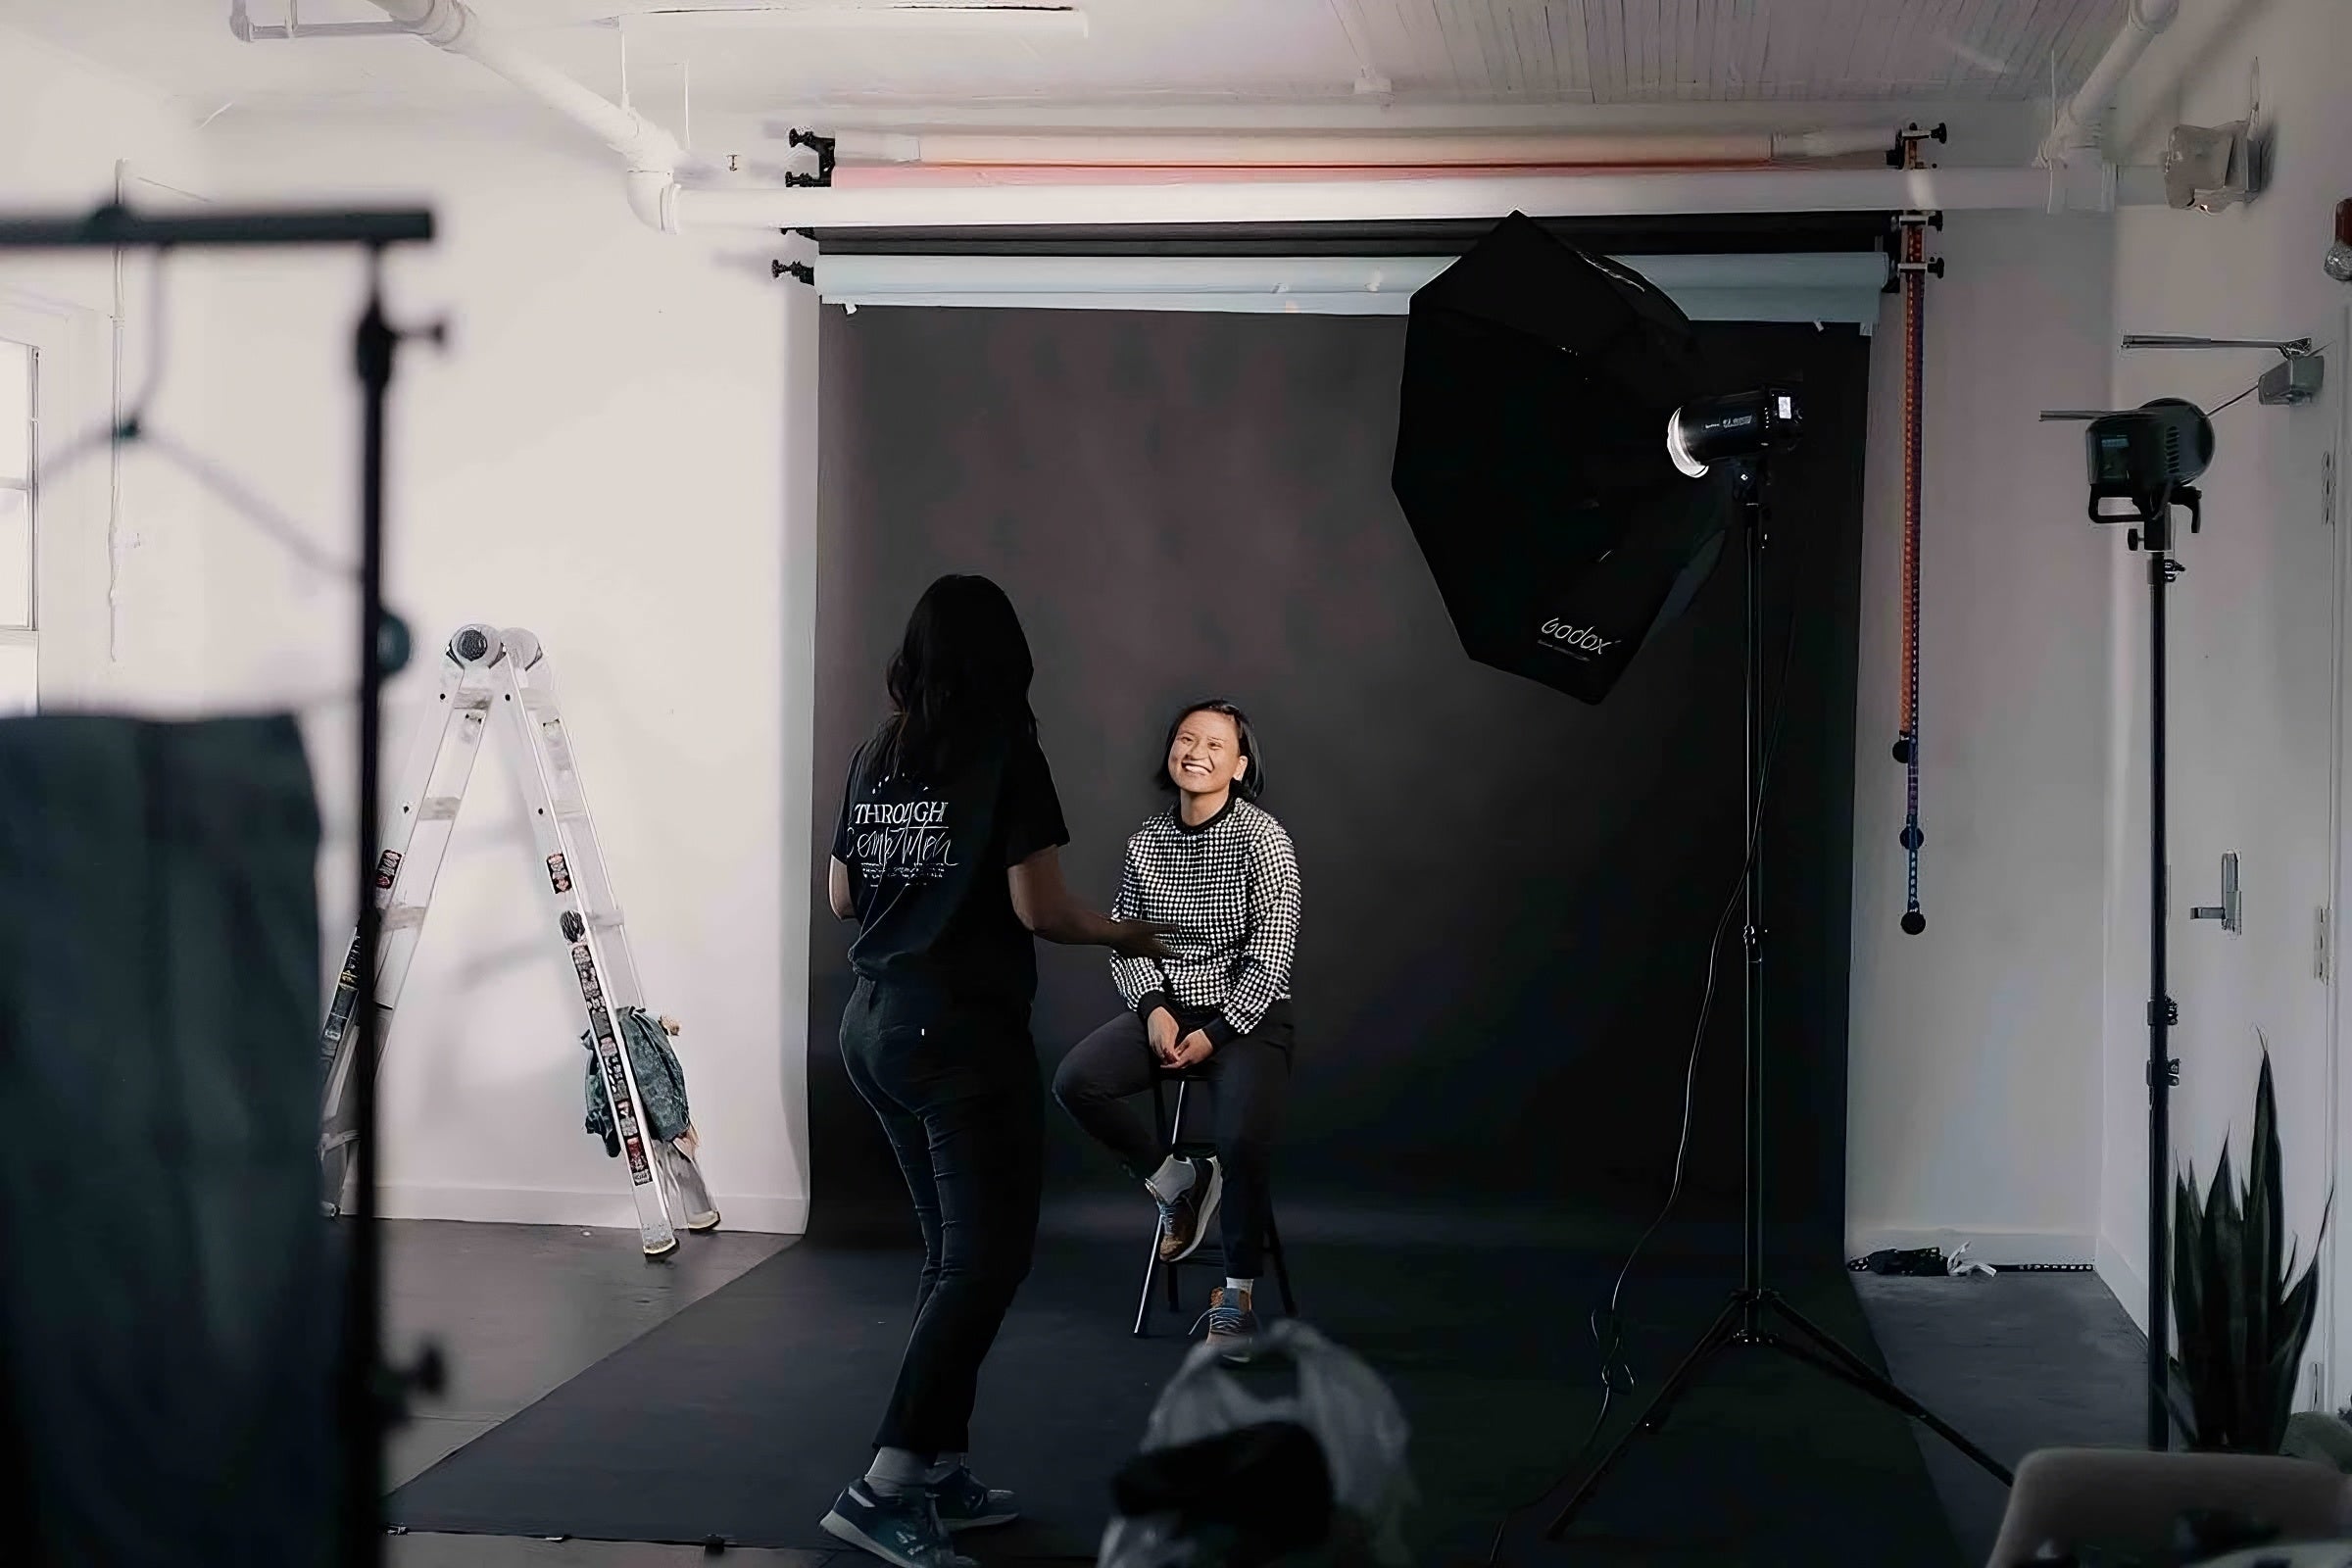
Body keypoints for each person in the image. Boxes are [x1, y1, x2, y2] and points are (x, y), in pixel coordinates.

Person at [823, 573, 1171, 1568]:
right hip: (955, 1040)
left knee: (951, 1258)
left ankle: (935, 1467)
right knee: (984, 1263)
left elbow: (843, 897)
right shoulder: (1007, 752)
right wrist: (1129, 930)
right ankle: (884, 1486)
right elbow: (1041, 910)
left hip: (873, 1027)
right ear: (1007, 658)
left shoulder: (877, 752)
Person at [1052, 700, 1301, 1361]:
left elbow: (1273, 953)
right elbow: (1126, 939)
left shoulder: (1263, 838)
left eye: (1216, 744)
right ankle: (1176, 1182)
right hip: (1173, 1010)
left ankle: (1236, 1300)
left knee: (1240, 1140)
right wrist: (1154, 1007)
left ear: (1240, 766)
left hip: (1249, 1019)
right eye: (1187, 739)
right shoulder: (1147, 841)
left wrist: (1216, 1032)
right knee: (1077, 1081)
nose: (1197, 752)